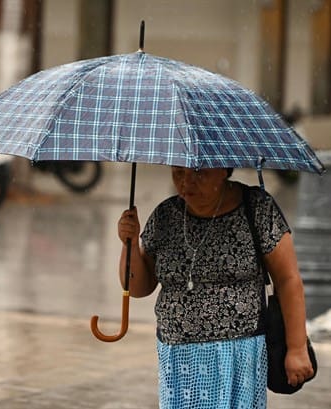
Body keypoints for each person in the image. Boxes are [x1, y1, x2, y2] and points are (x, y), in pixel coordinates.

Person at [117, 167, 314, 409]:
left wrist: (297, 348)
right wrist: (129, 243)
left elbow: (288, 279)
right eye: (178, 172)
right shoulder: (165, 215)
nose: (186, 183)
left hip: (238, 356)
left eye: (199, 173)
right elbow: (138, 287)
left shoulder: (257, 208)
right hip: (179, 358)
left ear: (224, 170)